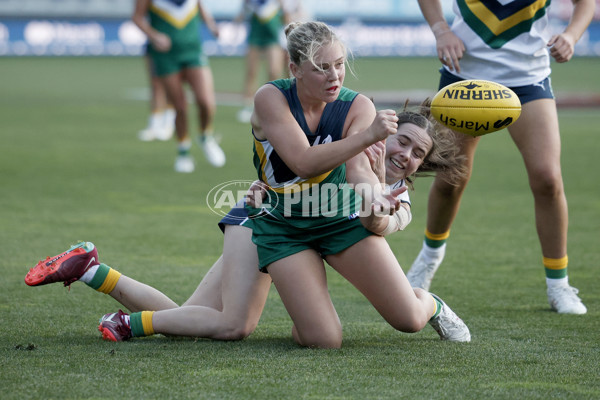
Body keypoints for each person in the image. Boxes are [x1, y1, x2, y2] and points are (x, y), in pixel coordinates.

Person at [24, 97, 469, 345]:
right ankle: (104, 288)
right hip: (264, 220)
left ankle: (90, 269)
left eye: (417, 154)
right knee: (219, 322)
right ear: (386, 131)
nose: (405, 156)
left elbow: (381, 228)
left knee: (188, 321)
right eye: (403, 142)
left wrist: (377, 202)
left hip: (314, 238)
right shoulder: (353, 138)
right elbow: (295, 155)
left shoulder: (399, 197)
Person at [407, 0, 595, 314]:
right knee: (451, 179)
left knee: (548, 179)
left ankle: (559, 285)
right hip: (462, 79)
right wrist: (441, 30)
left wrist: (572, 36)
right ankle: (427, 260)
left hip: (528, 79)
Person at [132, 0, 226, 172]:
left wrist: (211, 26)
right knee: (180, 106)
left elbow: (199, 5)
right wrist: (154, 36)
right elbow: (137, 17)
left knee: (206, 101)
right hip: (166, 56)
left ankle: (205, 137)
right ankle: (183, 151)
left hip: (193, 50)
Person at [235, 0, 289, 123]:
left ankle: (269, 104)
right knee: (251, 72)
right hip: (255, 35)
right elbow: (243, 11)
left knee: (274, 71)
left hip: (272, 36)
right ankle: (248, 107)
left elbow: (285, 17)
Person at [137, 47, 176, 142]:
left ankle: (168, 123)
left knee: (172, 83)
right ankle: (154, 125)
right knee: (155, 83)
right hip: (154, 45)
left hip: (173, 45)